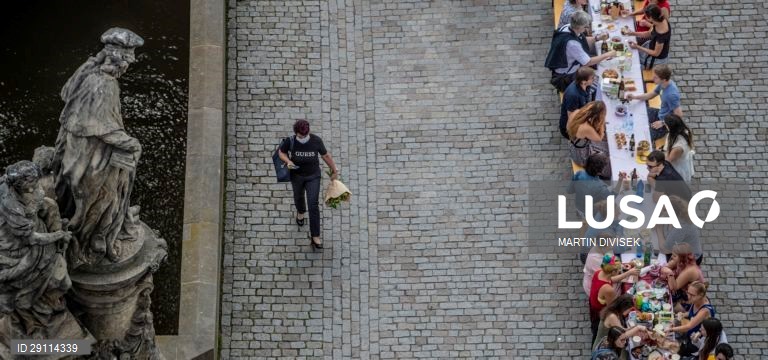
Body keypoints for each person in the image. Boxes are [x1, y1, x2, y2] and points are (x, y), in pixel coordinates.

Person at [52, 28, 145, 267]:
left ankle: (108, 225)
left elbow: (66, 94)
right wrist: (132, 143)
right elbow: (104, 128)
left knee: (85, 196)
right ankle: (92, 240)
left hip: (74, 147)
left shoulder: (87, 71)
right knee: (105, 196)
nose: (126, 67)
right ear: (119, 62)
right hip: (93, 153)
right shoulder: (106, 85)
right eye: (126, 61)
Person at [0, 161, 78, 339]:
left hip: (38, 240)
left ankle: (44, 314)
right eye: (33, 187)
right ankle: (34, 325)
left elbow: (44, 204)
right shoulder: (12, 209)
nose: (37, 189)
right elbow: (33, 239)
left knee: (62, 282)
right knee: (30, 292)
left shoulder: (8, 182)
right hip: (22, 252)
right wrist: (59, 235)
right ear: (25, 187)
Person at [278, 119, 339, 250]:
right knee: (298, 197)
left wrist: (334, 170)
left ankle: (315, 236)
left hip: (313, 176)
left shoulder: (316, 141)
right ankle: (300, 212)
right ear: (296, 133)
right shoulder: (291, 141)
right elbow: (281, 152)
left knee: (313, 204)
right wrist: (288, 161)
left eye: (305, 135)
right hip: (297, 176)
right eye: (301, 136)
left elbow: (326, 156)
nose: (304, 137)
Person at [545, 11, 615, 92]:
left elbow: (582, 41)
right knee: (600, 82)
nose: (587, 28)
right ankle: (589, 99)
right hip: (567, 77)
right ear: (579, 27)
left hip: (565, 66)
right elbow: (588, 62)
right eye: (585, 27)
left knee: (598, 62)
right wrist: (607, 55)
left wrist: (597, 38)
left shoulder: (567, 27)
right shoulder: (572, 44)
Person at [626, 65, 681, 141]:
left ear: (664, 79)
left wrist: (662, 123)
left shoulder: (672, 95)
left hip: (665, 125)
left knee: (642, 138)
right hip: (660, 113)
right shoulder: (662, 84)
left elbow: (679, 115)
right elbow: (651, 95)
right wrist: (634, 97)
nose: (652, 79)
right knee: (636, 113)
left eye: (655, 77)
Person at [666, 281, 716, 356]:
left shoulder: (705, 311)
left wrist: (671, 329)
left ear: (701, 295)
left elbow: (688, 326)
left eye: (692, 295)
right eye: (688, 293)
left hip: (697, 339)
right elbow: (690, 313)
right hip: (691, 332)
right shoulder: (696, 300)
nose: (688, 296)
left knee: (684, 352)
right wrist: (683, 315)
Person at [589, 254, 624, 344]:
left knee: (595, 330)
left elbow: (612, 279)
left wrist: (628, 273)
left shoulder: (599, 273)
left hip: (593, 306)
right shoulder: (608, 289)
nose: (619, 272)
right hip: (600, 313)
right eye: (618, 271)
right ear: (612, 272)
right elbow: (612, 309)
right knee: (599, 336)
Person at [656, 195, 702, 263]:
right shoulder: (680, 213)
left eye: (664, 209)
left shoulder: (681, 227)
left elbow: (665, 249)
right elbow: (664, 215)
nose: (662, 211)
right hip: (680, 250)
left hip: (689, 260)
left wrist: (658, 229)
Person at [567, 101, 610, 174]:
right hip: (580, 156)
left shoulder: (577, 112)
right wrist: (602, 122)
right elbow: (599, 138)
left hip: (574, 144)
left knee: (607, 141)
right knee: (608, 150)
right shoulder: (586, 128)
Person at [661, 243, 706, 312]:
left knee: (664, 304)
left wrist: (669, 272)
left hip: (690, 298)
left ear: (682, 257)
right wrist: (669, 267)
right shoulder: (682, 263)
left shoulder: (689, 270)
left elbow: (673, 287)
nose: (672, 257)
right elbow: (668, 268)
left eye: (674, 256)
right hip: (683, 292)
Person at [627, 4, 671, 69]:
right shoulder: (659, 20)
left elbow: (656, 53)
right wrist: (632, 33)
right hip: (651, 47)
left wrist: (637, 47)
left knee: (635, 65)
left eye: (646, 16)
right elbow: (649, 33)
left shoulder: (661, 34)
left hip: (656, 60)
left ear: (650, 18)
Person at [560, 66, 597, 139]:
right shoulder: (573, 95)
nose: (594, 79)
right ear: (584, 81)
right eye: (592, 78)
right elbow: (571, 118)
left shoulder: (585, 85)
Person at [663, 114, 694, 183]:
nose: (665, 126)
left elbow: (668, 161)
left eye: (666, 125)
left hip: (677, 168)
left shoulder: (678, 147)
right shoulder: (683, 130)